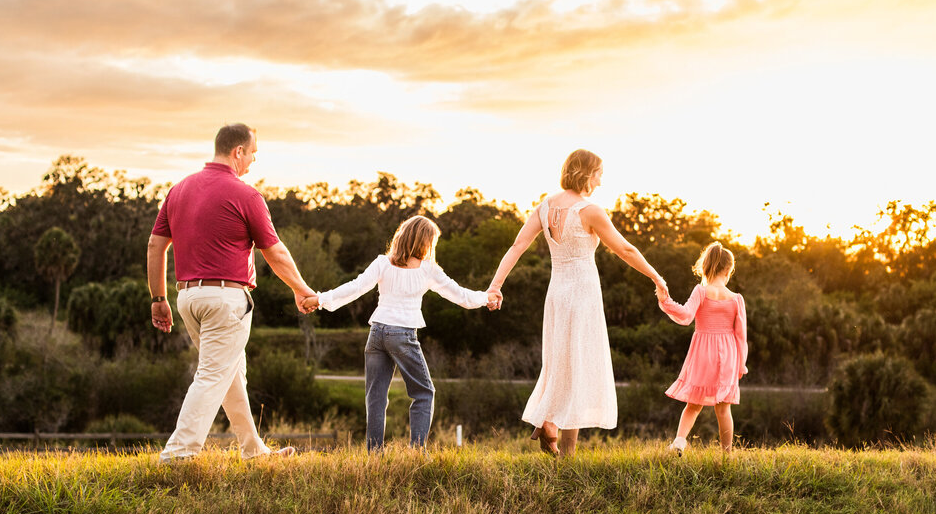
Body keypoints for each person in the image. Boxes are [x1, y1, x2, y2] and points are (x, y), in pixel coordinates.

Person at [147, 123, 317, 462]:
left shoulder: (178, 190)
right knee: (213, 374)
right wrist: (302, 289)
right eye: (253, 153)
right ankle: (178, 455)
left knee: (230, 373)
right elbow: (275, 252)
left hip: (187, 298)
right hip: (226, 300)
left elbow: (155, 245)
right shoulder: (246, 195)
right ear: (237, 151)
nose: (254, 161)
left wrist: (158, 299)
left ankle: (253, 449)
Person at [486, 149, 667, 456]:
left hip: (557, 293)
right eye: (598, 172)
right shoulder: (590, 211)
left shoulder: (545, 206)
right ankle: (567, 453)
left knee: (560, 362)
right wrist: (656, 277)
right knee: (578, 365)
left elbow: (518, 245)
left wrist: (495, 285)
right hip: (582, 294)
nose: (601, 178)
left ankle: (546, 422)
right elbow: (625, 250)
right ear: (586, 173)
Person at [305, 215, 496, 452]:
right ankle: (416, 452)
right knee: (424, 393)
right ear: (425, 242)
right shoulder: (428, 270)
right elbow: (462, 297)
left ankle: (374, 454)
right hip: (402, 335)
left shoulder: (382, 263)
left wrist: (320, 299)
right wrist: (487, 297)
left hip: (376, 332)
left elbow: (355, 287)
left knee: (375, 397)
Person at [656, 241, 748, 454]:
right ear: (728, 270)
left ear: (707, 267)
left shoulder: (701, 291)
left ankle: (679, 441)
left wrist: (665, 301)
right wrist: (741, 364)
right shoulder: (736, 299)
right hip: (728, 355)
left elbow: (686, 316)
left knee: (693, 404)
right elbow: (741, 336)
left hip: (702, 352)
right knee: (724, 408)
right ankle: (727, 455)